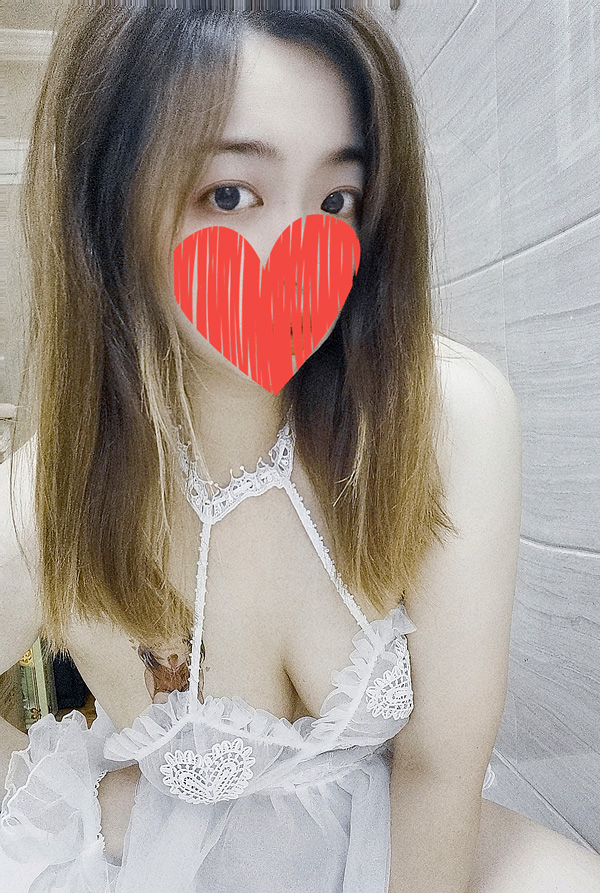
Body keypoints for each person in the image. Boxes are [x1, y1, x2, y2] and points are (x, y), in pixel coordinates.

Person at [1, 5, 599, 892]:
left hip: (403, 842)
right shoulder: (51, 499)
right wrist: (72, 802)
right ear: (110, 202)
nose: (295, 255)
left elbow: (440, 768)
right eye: (230, 195)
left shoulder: (447, 416)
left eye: (335, 200)